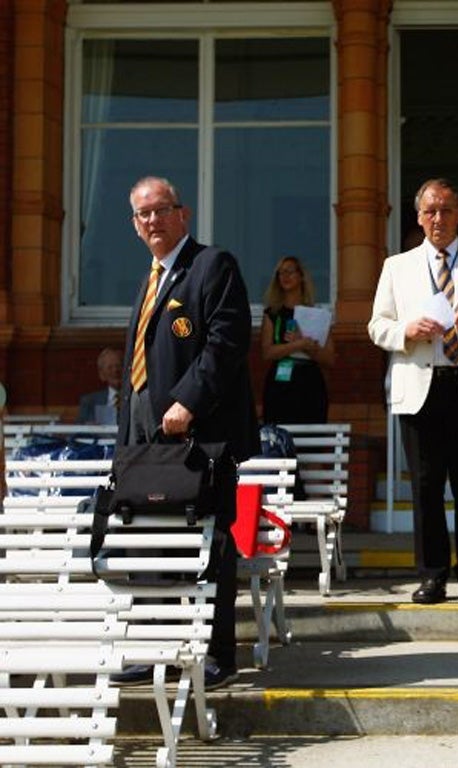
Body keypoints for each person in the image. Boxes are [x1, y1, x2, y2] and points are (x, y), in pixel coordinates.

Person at [113, 175, 259, 689]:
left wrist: (187, 402)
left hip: (201, 441)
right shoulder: (151, 279)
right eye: (142, 214)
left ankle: (216, 655)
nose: (152, 220)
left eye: (160, 210)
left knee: (210, 545)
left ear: (183, 214)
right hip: (145, 439)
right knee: (150, 545)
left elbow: (226, 344)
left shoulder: (211, 266)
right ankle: (157, 652)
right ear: (135, 225)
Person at [368, 178, 458, 605]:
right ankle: (432, 574)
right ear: (418, 216)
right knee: (426, 487)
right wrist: (406, 330)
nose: (438, 218)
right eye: (431, 210)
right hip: (419, 386)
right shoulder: (397, 267)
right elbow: (377, 326)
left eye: (447, 210)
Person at [261, 255, 335, 425]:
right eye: (280, 273)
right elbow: (267, 352)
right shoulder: (272, 314)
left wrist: (307, 345)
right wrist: (297, 344)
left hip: (310, 382)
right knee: (280, 436)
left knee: (311, 437)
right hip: (280, 383)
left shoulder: (316, 315)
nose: (285, 276)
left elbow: (330, 359)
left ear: (301, 276)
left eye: (290, 271)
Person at [77, 347, 123, 425]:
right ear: (102, 375)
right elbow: (79, 428)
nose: (115, 371)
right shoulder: (89, 402)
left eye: (118, 366)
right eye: (110, 367)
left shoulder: (136, 399)